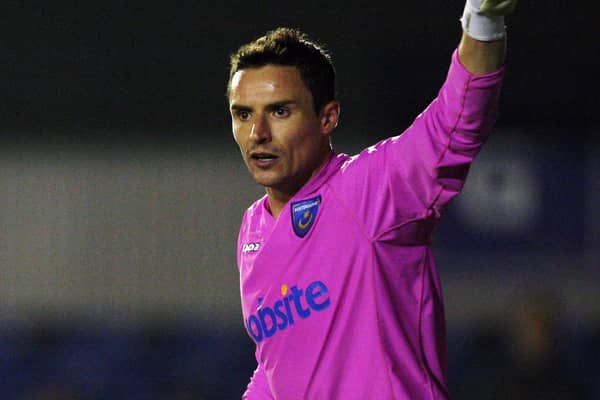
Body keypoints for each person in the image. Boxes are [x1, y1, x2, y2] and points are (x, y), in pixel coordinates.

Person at [227, 1, 517, 398]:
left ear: (327, 118)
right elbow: (274, 363)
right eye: (243, 114)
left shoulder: (370, 189)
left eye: (279, 111)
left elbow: (457, 123)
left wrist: (483, 21)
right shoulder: (252, 230)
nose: (257, 131)